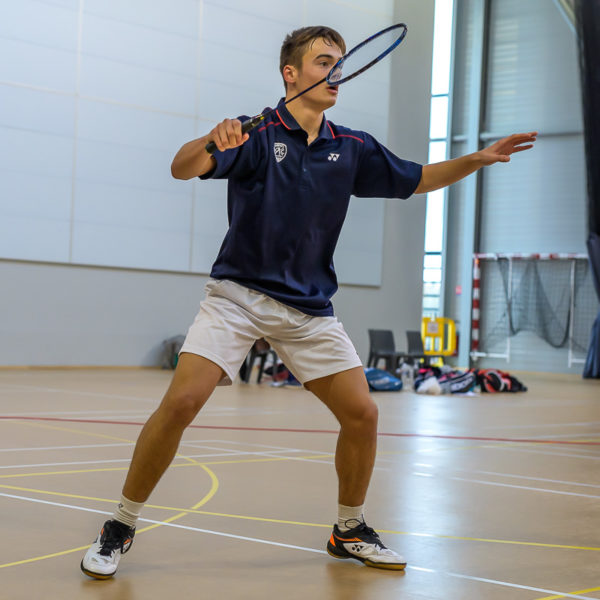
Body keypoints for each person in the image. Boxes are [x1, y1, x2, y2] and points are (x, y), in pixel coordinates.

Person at [80, 25, 537, 579]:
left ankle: (349, 530)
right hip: (239, 297)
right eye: (323, 62)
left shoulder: (352, 147)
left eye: (339, 63)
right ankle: (120, 525)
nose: (335, 71)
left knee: (363, 414)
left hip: (308, 309)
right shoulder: (255, 133)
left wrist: (478, 158)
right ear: (290, 73)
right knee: (181, 403)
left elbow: (417, 179)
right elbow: (182, 167)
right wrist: (211, 141)